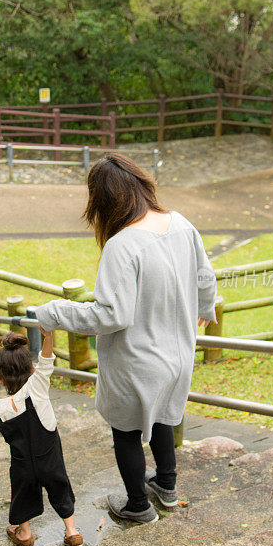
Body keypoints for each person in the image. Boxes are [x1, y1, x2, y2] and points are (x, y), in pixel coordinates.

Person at [36, 153, 217, 523]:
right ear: (140, 183)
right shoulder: (181, 223)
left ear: (101, 200)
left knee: (127, 431)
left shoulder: (123, 244)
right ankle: (166, 485)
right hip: (178, 353)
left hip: (136, 360)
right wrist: (204, 310)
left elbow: (110, 314)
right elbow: (206, 279)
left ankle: (138, 505)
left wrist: (53, 313)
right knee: (165, 415)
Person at [0, 329, 83, 546]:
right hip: (50, 456)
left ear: (0, 378)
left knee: (22, 494)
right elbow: (46, 360)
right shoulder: (38, 387)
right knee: (61, 488)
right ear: (32, 369)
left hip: (22, 463)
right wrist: (48, 337)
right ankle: (72, 532)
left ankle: (25, 533)